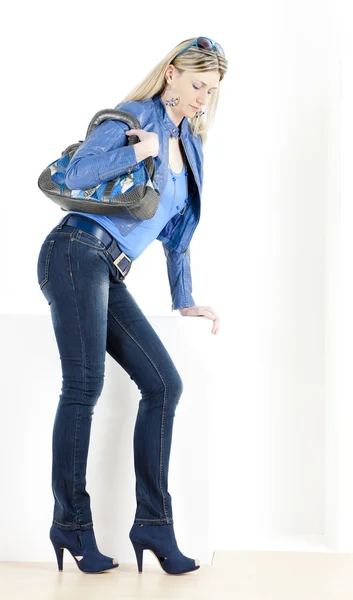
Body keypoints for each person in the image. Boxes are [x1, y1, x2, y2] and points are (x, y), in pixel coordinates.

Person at [37, 36, 228, 575]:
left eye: (211, 92)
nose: (202, 99)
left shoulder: (190, 145)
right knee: (84, 387)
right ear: (171, 73)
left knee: (165, 385)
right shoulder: (130, 118)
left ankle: (153, 524)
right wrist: (139, 149)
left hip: (109, 268)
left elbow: (178, 235)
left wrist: (185, 300)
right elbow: (75, 175)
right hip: (73, 251)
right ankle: (70, 524)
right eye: (196, 85)